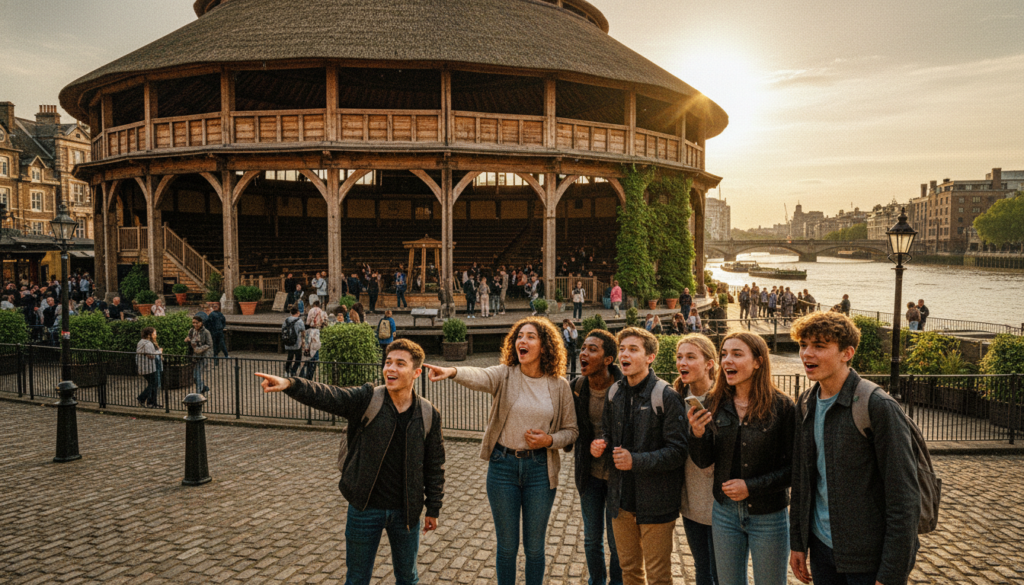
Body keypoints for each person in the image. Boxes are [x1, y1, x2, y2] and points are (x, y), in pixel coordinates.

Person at [256, 339, 445, 585]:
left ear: (416, 372)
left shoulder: (429, 413)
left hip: (406, 511)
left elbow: (434, 464)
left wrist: (433, 508)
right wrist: (290, 384)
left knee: (408, 577)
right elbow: (329, 395)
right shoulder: (368, 398)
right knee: (356, 578)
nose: (391, 369)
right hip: (365, 508)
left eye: (400, 364)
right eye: (388, 363)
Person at [424, 317, 578, 585]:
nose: (523, 341)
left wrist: (549, 440)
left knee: (534, 548)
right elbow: (481, 376)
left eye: (530, 336)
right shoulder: (506, 374)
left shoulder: (559, 385)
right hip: (503, 467)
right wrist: (452, 372)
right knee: (507, 547)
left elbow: (572, 431)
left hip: (541, 471)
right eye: (519, 336)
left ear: (544, 346)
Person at [788, 311, 921, 585]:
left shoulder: (877, 406)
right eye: (803, 345)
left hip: (868, 559)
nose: (806, 354)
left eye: (819, 346)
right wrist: (798, 543)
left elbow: (904, 499)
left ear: (847, 353)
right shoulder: (805, 403)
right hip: (823, 551)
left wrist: (891, 574)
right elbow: (803, 481)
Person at [688, 332, 796, 585]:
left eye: (737, 354)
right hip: (724, 513)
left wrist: (751, 487)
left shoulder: (782, 406)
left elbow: (794, 469)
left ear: (758, 361)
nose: (727, 361)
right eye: (724, 354)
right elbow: (704, 462)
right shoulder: (714, 402)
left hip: (769, 516)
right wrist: (697, 433)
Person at [591, 327, 687, 585]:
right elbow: (608, 433)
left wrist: (636, 461)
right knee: (629, 571)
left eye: (633, 349)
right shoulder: (615, 392)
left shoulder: (666, 395)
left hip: (656, 503)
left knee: (658, 577)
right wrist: (600, 444)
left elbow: (678, 452)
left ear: (650, 357)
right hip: (620, 500)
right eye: (622, 349)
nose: (625, 354)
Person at [567, 329, 623, 585]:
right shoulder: (576, 387)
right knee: (591, 538)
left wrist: (609, 444)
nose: (584, 353)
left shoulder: (624, 389)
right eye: (583, 348)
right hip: (589, 475)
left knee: (616, 540)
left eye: (592, 349)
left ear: (608, 359)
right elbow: (570, 430)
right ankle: (596, 581)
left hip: (618, 477)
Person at [674, 334, 719, 585]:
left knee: (722, 571)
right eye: (680, 357)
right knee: (702, 569)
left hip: (720, 502)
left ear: (709, 363)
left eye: (691, 357)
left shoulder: (726, 396)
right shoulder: (675, 397)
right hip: (690, 497)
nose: (683, 362)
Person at [136, 327, 163, 408]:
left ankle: (151, 402)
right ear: (149, 335)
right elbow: (151, 355)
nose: (156, 335)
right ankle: (143, 399)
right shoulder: (147, 343)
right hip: (149, 367)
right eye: (154, 334)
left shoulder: (141, 342)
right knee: (154, 384)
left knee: (153, 384)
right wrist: (159, 352)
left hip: (145, 367)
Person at [186, 316, 213, 394]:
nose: (195, 324)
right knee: (195, 376)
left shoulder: (206, 332)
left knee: (197, 374)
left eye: (196, 323)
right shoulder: (191, 331)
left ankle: (199, 393)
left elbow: (209, 344)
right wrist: (187, 339)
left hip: (203, 356)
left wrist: (199, 349)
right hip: (195, 356)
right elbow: (189, 337)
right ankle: (204, 388)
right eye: (193, 322)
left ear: (201, 323)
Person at [282, 307, 306, 377]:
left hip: (288, 342)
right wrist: (303, 340)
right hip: (297, 343)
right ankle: (293, 371)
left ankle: (286, 371)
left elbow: (283, 329)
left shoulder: (286, 320)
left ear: (290, 313)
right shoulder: (299, 321)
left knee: (289, 357)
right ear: (298, 313)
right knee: (298, 358)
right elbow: (303, 331)